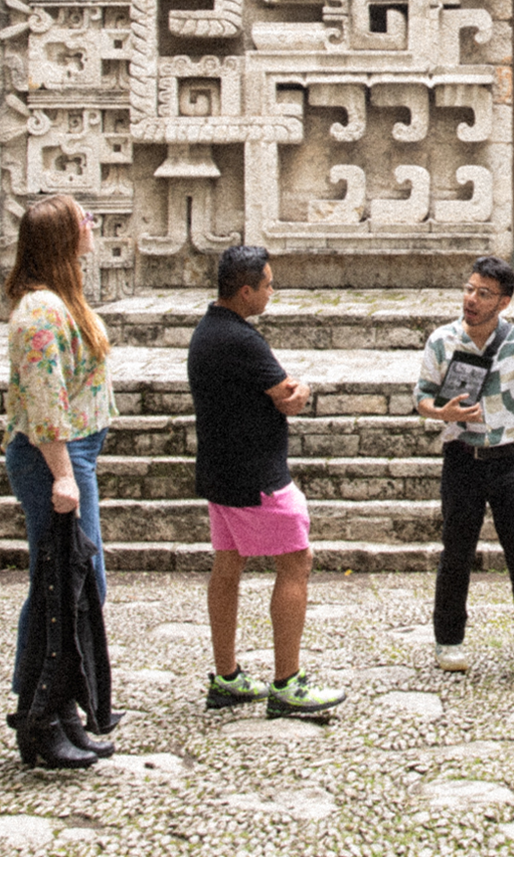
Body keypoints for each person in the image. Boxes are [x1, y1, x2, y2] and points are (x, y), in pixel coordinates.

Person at [189, 244, 345, 720]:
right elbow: (286, 395)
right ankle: (287, 682)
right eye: (268, 285)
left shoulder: (207, 331)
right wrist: (302, 390)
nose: (272, 292)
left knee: (228, 566)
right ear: (245, 290)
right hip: (256, 475)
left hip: (220, 471)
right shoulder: (241, 339)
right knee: (297, 560)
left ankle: (227, 675)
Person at [0, 193, 118, 769]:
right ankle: (39, 716)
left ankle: (65, 709)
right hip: (54, 457)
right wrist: (64, 476)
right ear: (63, 238)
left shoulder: (57, 300)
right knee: (58, 588)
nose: (91, 227)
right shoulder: (40, 312)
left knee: (76, 586)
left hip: (74, 453)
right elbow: (45, 403)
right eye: (83, 221)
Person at [413, 255, 514, 682]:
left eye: (484, 294)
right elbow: (422, 397)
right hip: (462, 457)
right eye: (468, 289)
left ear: (502, 302)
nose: (472, 300)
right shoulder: (443, 340)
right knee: (456, 553)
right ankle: (449, 641)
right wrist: (442, 412)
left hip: (508, 459)